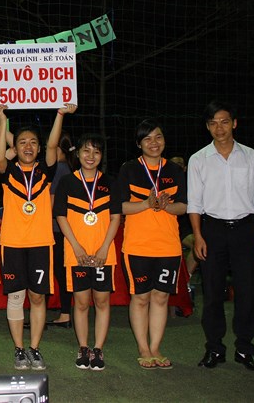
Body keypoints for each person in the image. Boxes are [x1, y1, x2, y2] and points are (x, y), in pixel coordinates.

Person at [0, 102, 77, 371]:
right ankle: (19, 349)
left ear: (39, 149)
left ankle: (35, 348)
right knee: (16, 297)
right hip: (13, 244)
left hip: (41, 243)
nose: (28, 147)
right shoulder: (8, 172)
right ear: (15, 148)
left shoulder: (46, 170)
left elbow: (53, 144)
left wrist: (60, 114)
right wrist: (2, 122)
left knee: (38, 297)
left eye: (32, 143)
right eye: (22, 143)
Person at [188, 101, 254, 371]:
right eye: (213, 123)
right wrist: (198, 236)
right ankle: (214, 348)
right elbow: (194, 204)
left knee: (246, 291)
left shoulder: (251, 157)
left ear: (234, 123)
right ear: (207, 126)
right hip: (212, 231)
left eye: (224, 122)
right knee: (212, 293)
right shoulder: (198, 159)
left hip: (245, 230)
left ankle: (245, 348)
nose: (219, 128)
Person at [113, 120, 186, 369]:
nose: (154, 143)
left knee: (161, 297)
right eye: (147, 138)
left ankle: (155, 348)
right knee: (141, 297)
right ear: (139, 144)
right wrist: (146, 204)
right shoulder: (129, 169)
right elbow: (120, 207)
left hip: (168, 246)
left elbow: (184, 207)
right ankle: (143, 348)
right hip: (138, 246)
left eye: (158, 137)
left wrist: (166, 206)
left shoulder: (175, 170)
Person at [53, 133, 120, 371]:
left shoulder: (110, 182)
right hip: (76, 253)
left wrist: (104, 248)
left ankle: (98, 348)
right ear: (78, 154)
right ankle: (83, 347)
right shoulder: (67, 182)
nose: (91, 156)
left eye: (96, 152)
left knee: (102, 301)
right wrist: (76, 246)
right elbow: (60, 216)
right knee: (81, 302)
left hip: (103, 253)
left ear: (101, 156)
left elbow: (115, 217)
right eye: (86, 151)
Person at [48, 135, 75, 328]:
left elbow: (51, 204)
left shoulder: (59, 169)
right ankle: (64, 311)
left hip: (56, 228)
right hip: (61, 228)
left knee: (60, 271)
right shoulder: (68, 168)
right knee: (61, 271)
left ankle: (65, 313)